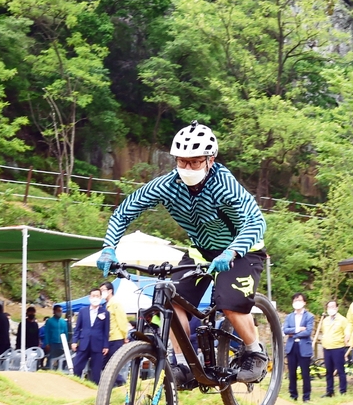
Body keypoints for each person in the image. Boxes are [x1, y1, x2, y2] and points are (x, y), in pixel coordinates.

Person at [96, 120, 268, 385]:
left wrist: (232, 251)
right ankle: (184, 364)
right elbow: (125, 210)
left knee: (230, 304)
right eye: (182, 161)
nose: (187, 168)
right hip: (200, 253)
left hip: (242, 251)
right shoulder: (167, 185)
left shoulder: (225, 184)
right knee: (171, 301)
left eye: (195, 162)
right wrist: (109, 247)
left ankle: (255, 352)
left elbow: (256, 222)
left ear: (211, 159)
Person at [72, 287, 110, 384]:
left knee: (96, 370)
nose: (95, 298)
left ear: (101, 297)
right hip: (84, 342)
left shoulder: (105, 313)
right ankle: (75, 385)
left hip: (98, 344)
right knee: (77, 366)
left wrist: (106, 345)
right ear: (90, 297)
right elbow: (77, 328)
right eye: (93, 296)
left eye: (97, 296)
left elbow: (106, 330)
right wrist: (74, 341)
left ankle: (95, 389)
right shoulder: (82, 311)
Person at [283, 294, 314, 402]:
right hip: (292, 347)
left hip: (304, 348)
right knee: (292, 373)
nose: (297, 302)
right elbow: (285, 330)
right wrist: (298, 329)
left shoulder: (309, 316)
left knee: (305, 373)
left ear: (304, 302)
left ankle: (306, 397)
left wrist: (294, 334)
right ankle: (293, 395)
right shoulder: (289, 316)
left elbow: (308, 331)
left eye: (300, 300)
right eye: (295, 300)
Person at [318, 300, 349, 397]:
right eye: (329, 307)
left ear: (337, 308)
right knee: (329, 370)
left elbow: (347, 333)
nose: (331, 309)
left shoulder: (342, 320)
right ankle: (329, 391)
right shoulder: (325, 320)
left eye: (333, 307)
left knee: (340, 370)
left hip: (338, 348)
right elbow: (324, 332)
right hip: (327, 348)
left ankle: (343, 391)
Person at [100, 281, 130, 365]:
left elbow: (122, 320)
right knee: (105, 365)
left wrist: (125, 336)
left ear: (110, 291)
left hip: (116, 338)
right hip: (109, 338)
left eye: (103, 290)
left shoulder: (115, 303)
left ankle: (119, 379)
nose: (101, 292)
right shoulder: (106, 305)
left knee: (112, 365)